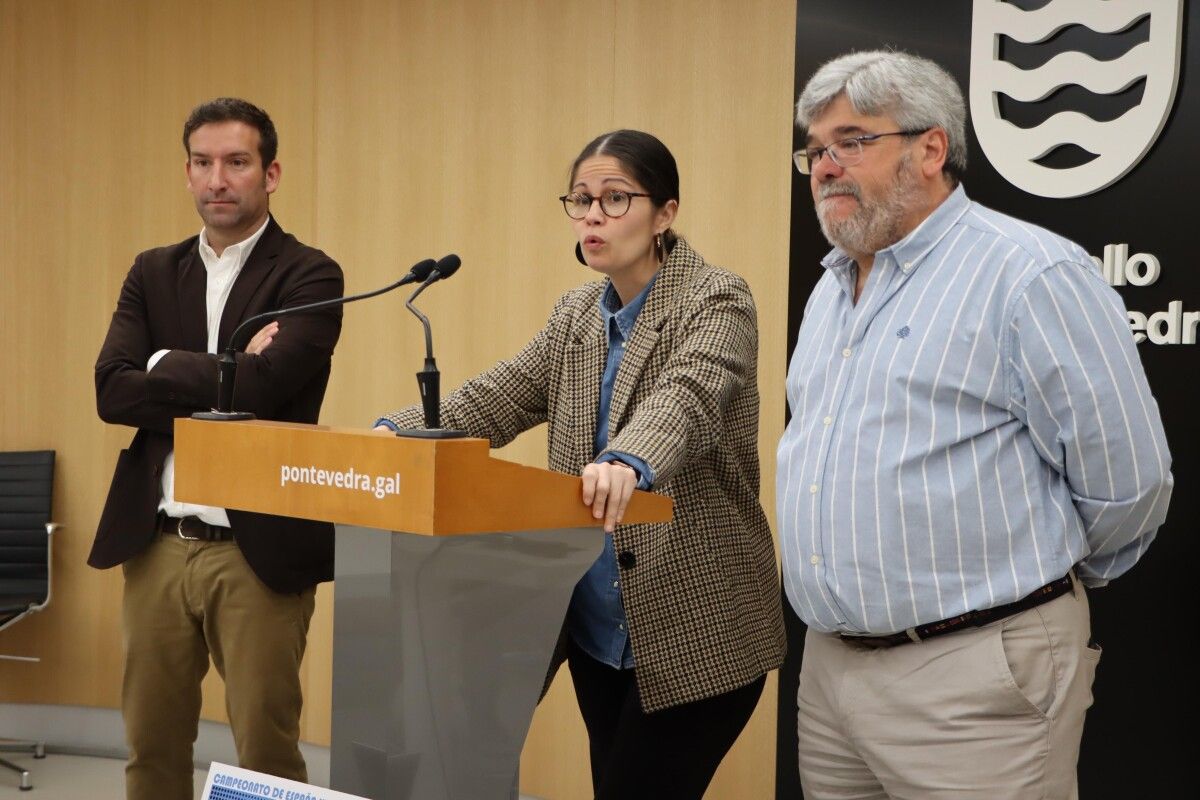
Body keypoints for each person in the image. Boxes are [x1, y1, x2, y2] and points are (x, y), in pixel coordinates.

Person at [778, 50, 1173, 800]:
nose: (826, 166)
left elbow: (1131, 481)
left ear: (931, 148)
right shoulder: (831, 289)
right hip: (830, 674)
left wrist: (1030, 591)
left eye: (852, 141)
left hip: (975, 678)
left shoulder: (1028, 273)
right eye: (816, 149)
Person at [375, 129, 785, 799]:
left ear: (666, 212)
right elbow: (496, 397)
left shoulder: (717, 300)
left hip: (694, 629)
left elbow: (688, 396)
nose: (593, 216)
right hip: (599, 628)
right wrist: (393, 433)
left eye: (615, 199)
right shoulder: (576, 316)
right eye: (581, 199)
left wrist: (628, 458)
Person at [92, 97, 343, 800]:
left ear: (272, 173)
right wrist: (223, 366)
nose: (218, 179)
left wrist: (164, 363)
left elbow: (266, 391)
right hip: (158, 541)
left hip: (256, 547)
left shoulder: (311, 276)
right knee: (151, 744)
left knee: (266, 751)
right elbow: (112, 391)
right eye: (203, 163)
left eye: (236, 162)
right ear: (188, 171)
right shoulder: (152, 271)